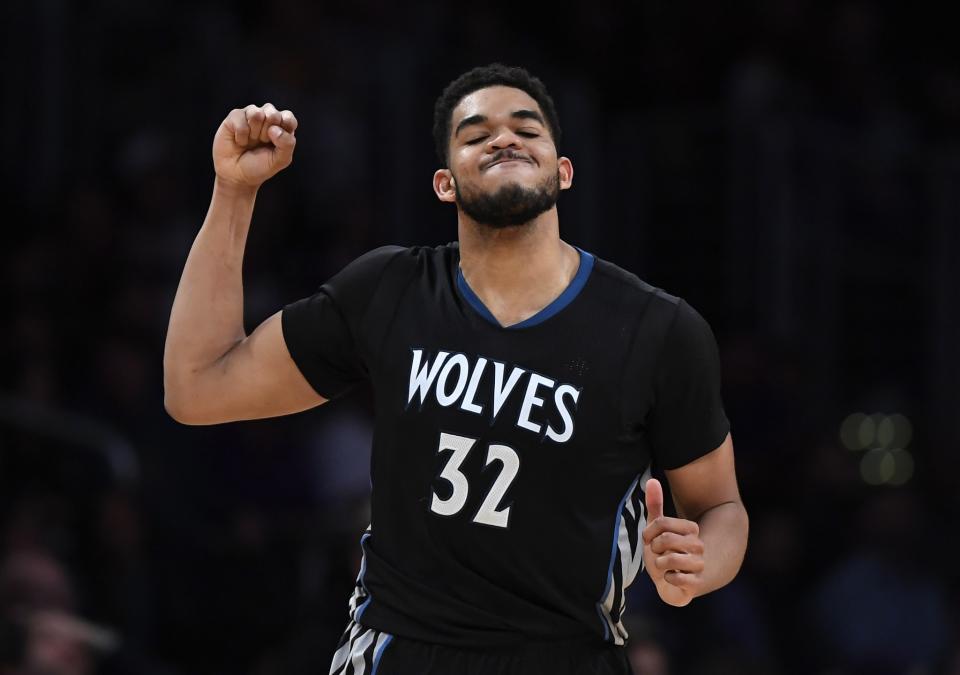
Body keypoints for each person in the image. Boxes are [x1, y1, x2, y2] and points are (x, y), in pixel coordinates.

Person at [163, 63, 749, 675]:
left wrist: (700, 564)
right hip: (397, 649)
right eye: (476, 134)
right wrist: (234, 192)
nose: (503, 138)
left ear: (563, 171)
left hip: (567, 655)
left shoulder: (658, 329)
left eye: (527, 128)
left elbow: (721, 508)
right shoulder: (389, 290)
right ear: (445, 184)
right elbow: (198, 387)